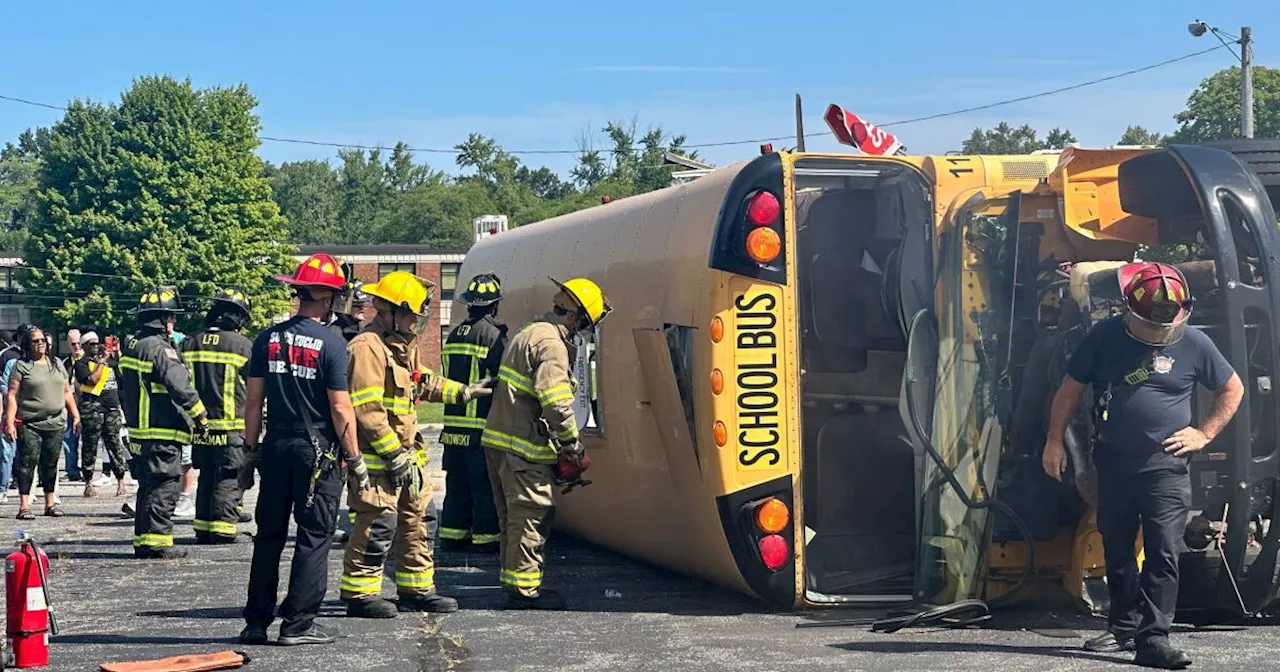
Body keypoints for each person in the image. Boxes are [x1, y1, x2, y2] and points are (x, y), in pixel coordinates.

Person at [1043, 262, 1244, 670]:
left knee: (1162, 550)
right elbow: (1069, 391)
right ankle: (1123, 628)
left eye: (1165, 327)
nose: (1158, 335)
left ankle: (1153, 638)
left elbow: (1232, 387)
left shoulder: (1195, 343)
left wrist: (1203, 433)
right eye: (1150, 326)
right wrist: (1054, 441)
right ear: (1129, 310)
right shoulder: (1103, 338)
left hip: (1165, 465)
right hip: (1114, 461)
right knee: (1116, 547)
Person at [340, 270, 492, 618]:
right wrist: (393, 453)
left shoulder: (400, 346)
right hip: (380, 461)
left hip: (407, 458)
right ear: (391, 310)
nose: (416, 321)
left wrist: (463, 392)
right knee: (378, 524)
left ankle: (417, 590)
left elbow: (421, 382)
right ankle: (360, 595)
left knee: (419, 522)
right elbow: (367, 409)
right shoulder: (367, 349)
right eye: (412, 314)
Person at [240, 253, 368, 646]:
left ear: (298, 292)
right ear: (328, 299)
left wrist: (249, 453)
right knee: (314, 536)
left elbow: (253, 401)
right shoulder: (331, 343)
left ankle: (257, 622)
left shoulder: (268, 338)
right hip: (318, 453)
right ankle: (298, 624)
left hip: (275, 446)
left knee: (269, 535)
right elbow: (340, 407)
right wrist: (356, 461)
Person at [483, 277, 609, 610]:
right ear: (577, 317)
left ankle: (515, 586)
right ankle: (525, 592)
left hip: (500, 443)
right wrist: (572, 446)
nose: (583, 331)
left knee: (512, 518)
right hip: (522, 449)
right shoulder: (552, 344)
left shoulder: (530, 331)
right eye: (585, 324)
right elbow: (555, 403)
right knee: (530, 516)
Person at [119, 288, 209, 559]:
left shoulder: (133, 346)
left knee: (147, 488)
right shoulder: (159, 349)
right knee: (164, 487)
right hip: (161, 431)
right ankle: (157, 544)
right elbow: (180, 387)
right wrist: (201, 416)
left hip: (140, 432)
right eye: (172, 318)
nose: (174, 324)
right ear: (164, 320)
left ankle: (145, 541)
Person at [439, 273, 508, 553]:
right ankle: (485, 539)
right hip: (480, 426)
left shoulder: (454, 333)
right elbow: (502, 379)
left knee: (456, 484)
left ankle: (452, 535)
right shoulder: (494, 336)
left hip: (452, 428)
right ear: (493, 306)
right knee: (484, 487)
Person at [183, 289, 254, 544]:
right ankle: (223, 528)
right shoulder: (244, 345)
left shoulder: (191, 342)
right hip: (232, 426)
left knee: (207, 476)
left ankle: (203, 526)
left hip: (200, 427)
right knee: (228, 476)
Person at [3, 327, 80, 519]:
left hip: (55, 422)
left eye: (43, 341)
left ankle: (50, 503)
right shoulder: (21, 366)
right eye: (35, 341)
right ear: (28, 344)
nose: (40, 344)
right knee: (27, 463)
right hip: (30, 423)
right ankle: (24, 506)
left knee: (50, 464)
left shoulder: (56, 364)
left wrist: (75, 415)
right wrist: (9, 422)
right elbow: (12, 395)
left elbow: (66, 392)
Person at [74, 332, 128, 498]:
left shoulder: (109, 360)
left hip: (111, 407)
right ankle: (88, 482)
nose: (96, 346)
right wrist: (102, 362)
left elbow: (123, 374)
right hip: (92, 407)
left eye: (98, 343)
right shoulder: (81, 363)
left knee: (114, 444)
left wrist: (117, 353)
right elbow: (92, 380)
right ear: (84, 346)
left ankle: (120, 482)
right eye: (91, 343)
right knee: (90, 446)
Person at [61, 328, 83, 482]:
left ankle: (88, 470)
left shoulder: (89, 360)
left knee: (89, 441)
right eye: (73, 343)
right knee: (69, 439)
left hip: (87, 405)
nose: (76, 346)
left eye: (78, 343)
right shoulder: (65, 363)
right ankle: (72, 470)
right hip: (70, 406)